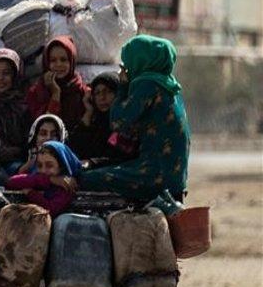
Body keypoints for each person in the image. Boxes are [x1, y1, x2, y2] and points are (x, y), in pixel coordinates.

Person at [80, 35, 190, 201]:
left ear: (139, 60)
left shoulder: (146, 84)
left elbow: (118, 122)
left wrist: (122, 86)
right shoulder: (170, 86)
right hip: (175, 179)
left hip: (154, 173)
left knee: (87, 178)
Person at [68, 71, 132, 164]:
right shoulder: (95, 122)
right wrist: (88, 112)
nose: (102, 97)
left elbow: (120, 158)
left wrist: (92, 163)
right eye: (97, 93)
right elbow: (73, 148)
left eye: (108, 92)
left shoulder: (125, 125)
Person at [26, 36, 89, 130]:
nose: (59, 64)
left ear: (71, 62)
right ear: (46, 63)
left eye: (63, 60)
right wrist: (55, 94)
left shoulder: (81, 90)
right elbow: (44, 127)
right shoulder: (36, 92)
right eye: (53, 60)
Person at [7, 140, 82, 217]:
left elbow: (52, 210)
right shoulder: (39, 177)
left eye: (49, 166)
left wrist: (31, 194)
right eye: (39, 165)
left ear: (62, 166)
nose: (43, 170)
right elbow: (12, 182)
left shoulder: (67, 185)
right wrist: (49, 180)